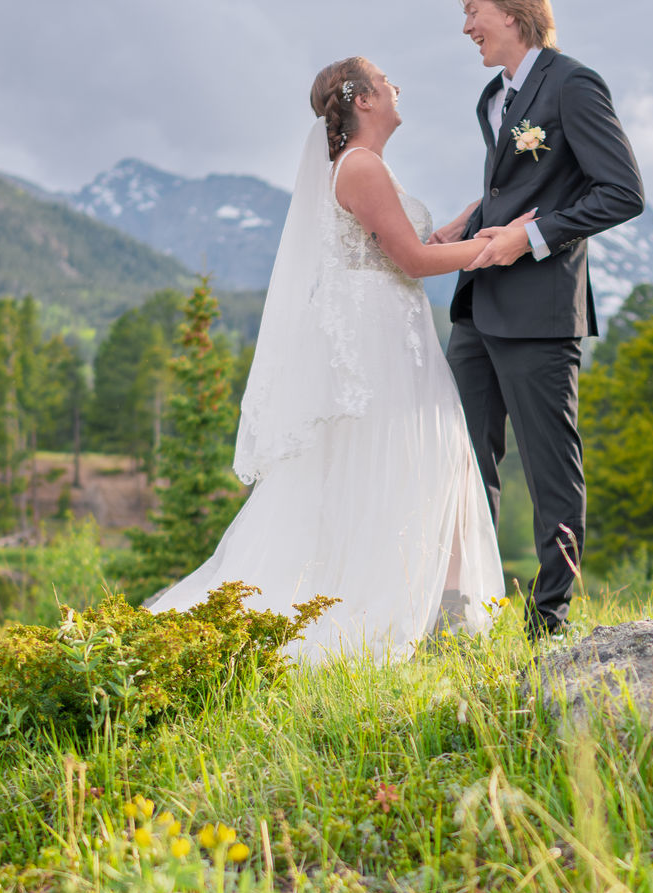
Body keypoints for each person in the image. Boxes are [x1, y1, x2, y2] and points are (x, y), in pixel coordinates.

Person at [150, 58, 510, 660]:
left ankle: (440, 611)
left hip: (394, 327)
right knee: (414, 457)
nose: (397, 85)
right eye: (386, 78)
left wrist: (480, 216)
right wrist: (497, 247)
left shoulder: (364, 167)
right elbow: (415, 264)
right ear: (364, 100)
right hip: (379, 337)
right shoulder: (362, 167)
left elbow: (419, 245)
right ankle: (418, 613)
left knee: (430, 459)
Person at [436, 0, 644, 635]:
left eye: (473, 10)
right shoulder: (490, 100)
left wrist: (529, 238)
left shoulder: (573, 85)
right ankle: (463, 613)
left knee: (551, 472)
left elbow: (619, 192)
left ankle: (546, 622)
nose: (465, 25)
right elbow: (517, 188)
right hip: (476, 305)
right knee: (465, 462)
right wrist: (468, 221)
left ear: (512, 10)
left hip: (539, 313)